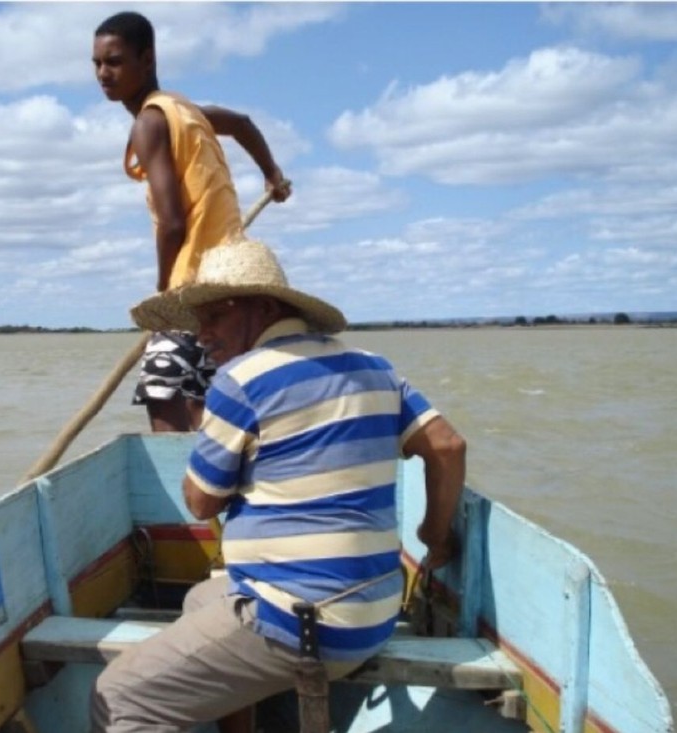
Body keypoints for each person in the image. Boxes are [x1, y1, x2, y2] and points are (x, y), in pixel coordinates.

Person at [90, 238, 465, 732]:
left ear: (264, 308)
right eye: (198, 322)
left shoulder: (240, 379)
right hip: (375, 610)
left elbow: (201, 502)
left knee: (118, 696)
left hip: (303, 622)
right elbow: (446, 447)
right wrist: (435, 536)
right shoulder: (374, 366)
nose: (202, 335)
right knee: (201, 600)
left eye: (215, 316)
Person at [93, 10, 291, 433]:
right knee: (205, 405)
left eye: (114, 62)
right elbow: (242, 124)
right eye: (97, 64)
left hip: (193, 288)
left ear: (147, 59)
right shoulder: (186, 112)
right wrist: (272, 174)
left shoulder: (150, 122)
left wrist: (163, 296)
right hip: (234, 289)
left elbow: (172, 224)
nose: (103, 74)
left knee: (163, 399)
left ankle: (189, 479)